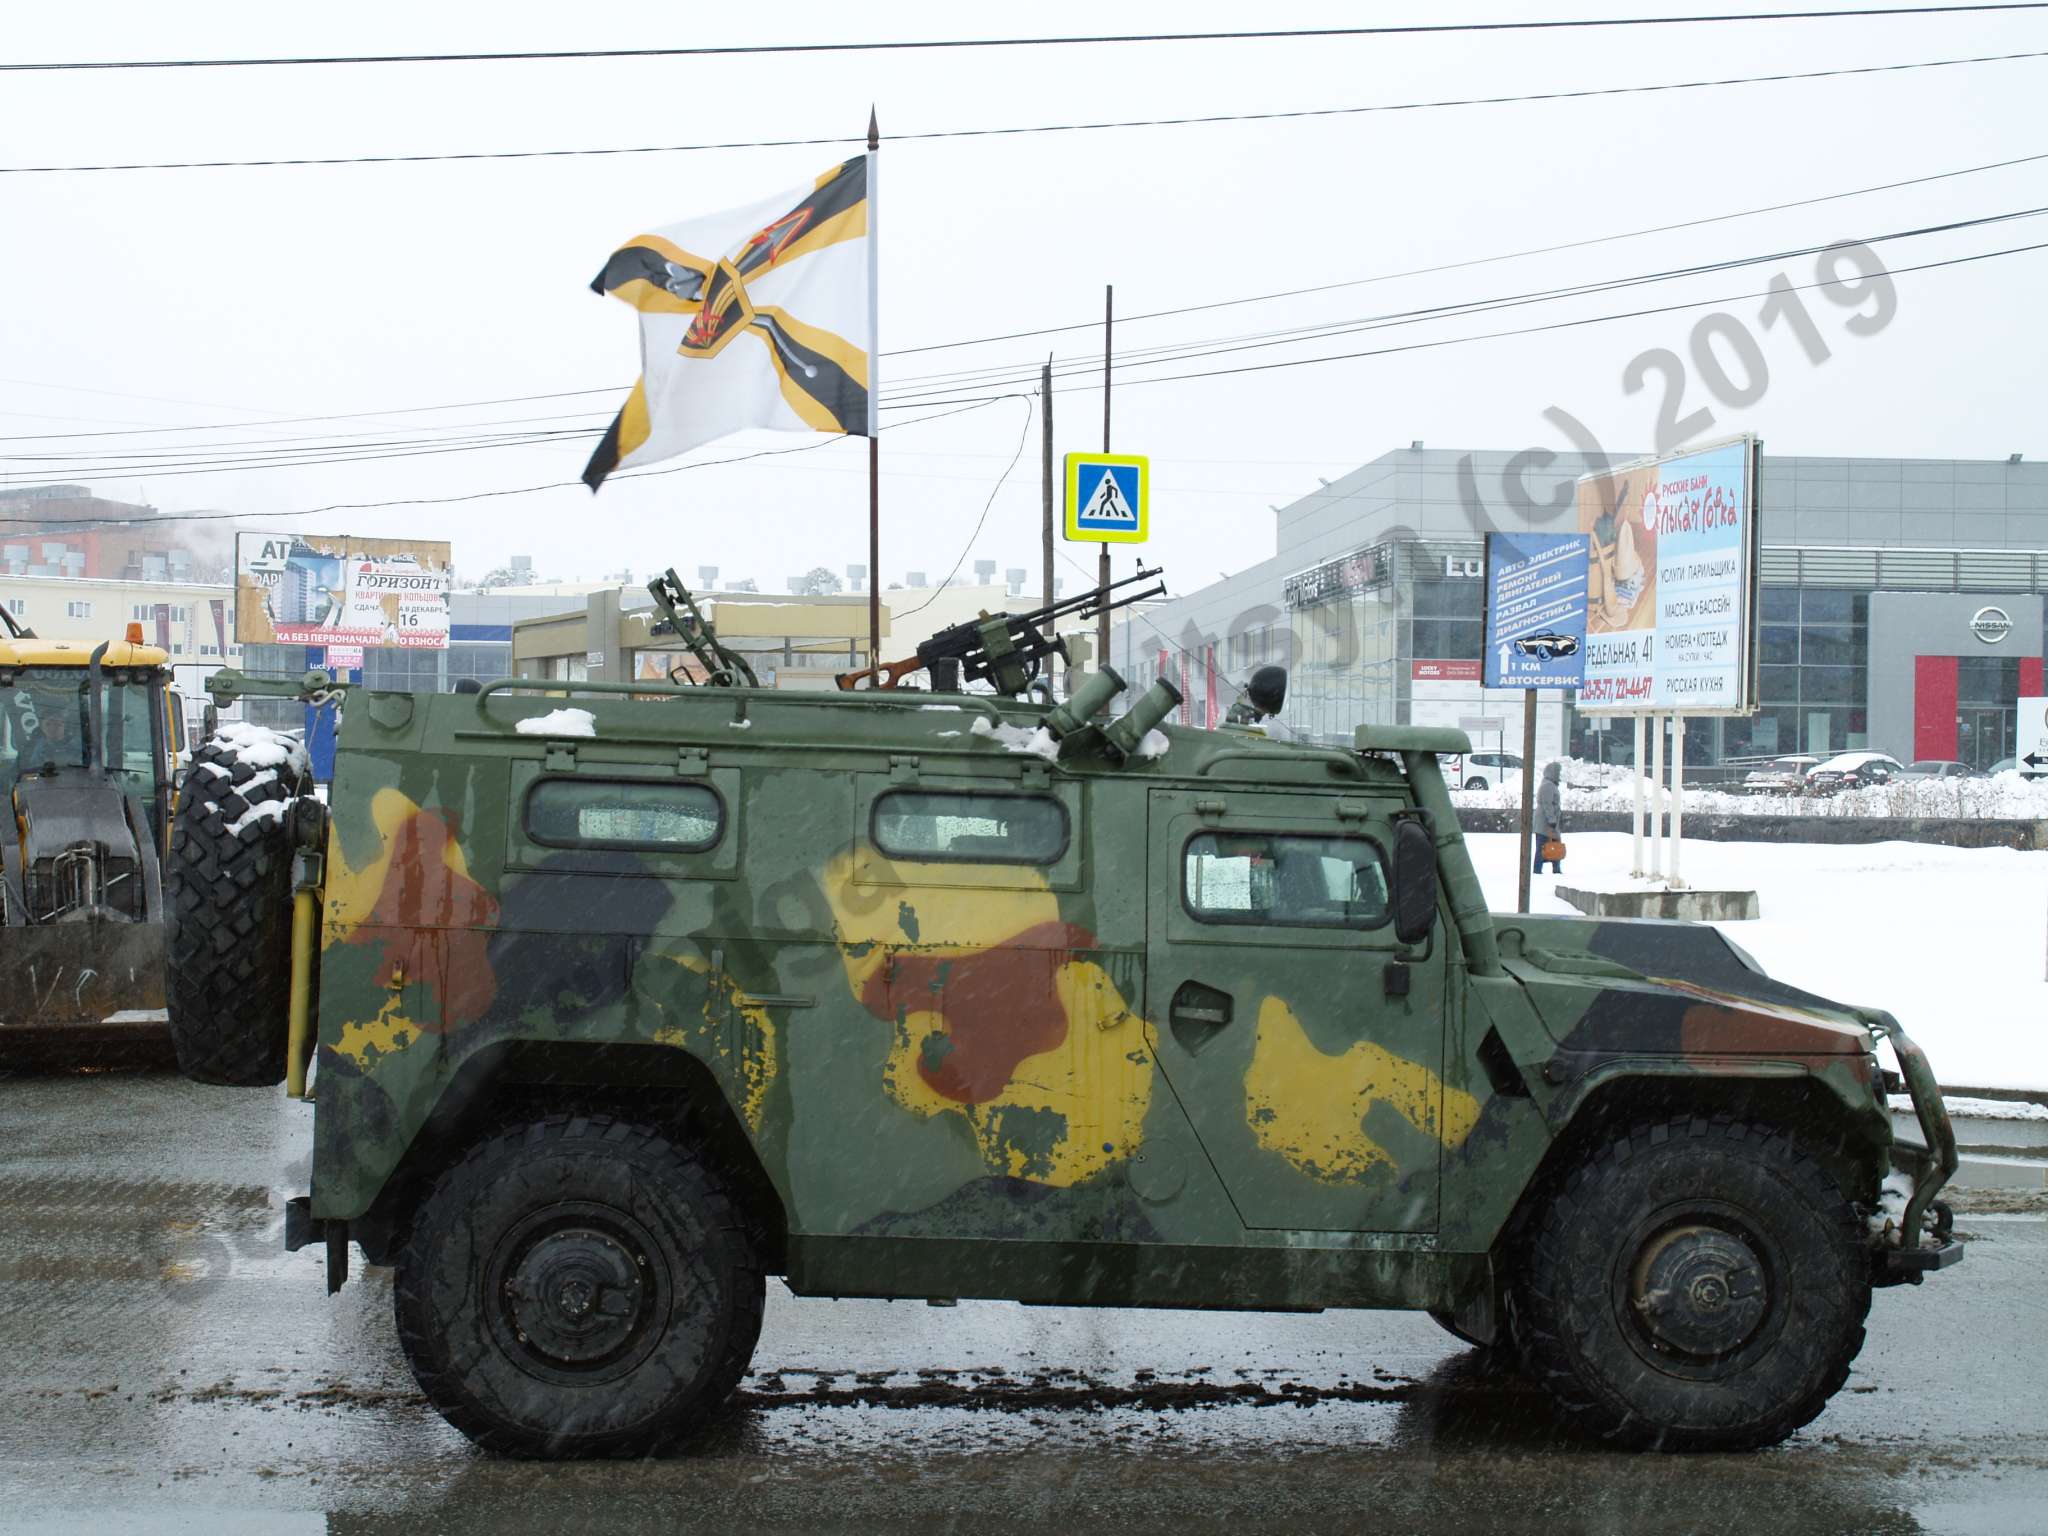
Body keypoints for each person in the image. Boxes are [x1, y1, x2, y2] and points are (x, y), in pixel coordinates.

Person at [1533, 760, 1565, 875]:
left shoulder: (1549, 784)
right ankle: (1538, 870)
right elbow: (1548, 804)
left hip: (1548, 822)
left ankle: (1556, 868)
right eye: (1558, 772)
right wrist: (1552, 820)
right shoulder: (1548, 786)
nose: (1559, 774)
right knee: (1543, 847)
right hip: (1545, 822)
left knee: (1553, 844)